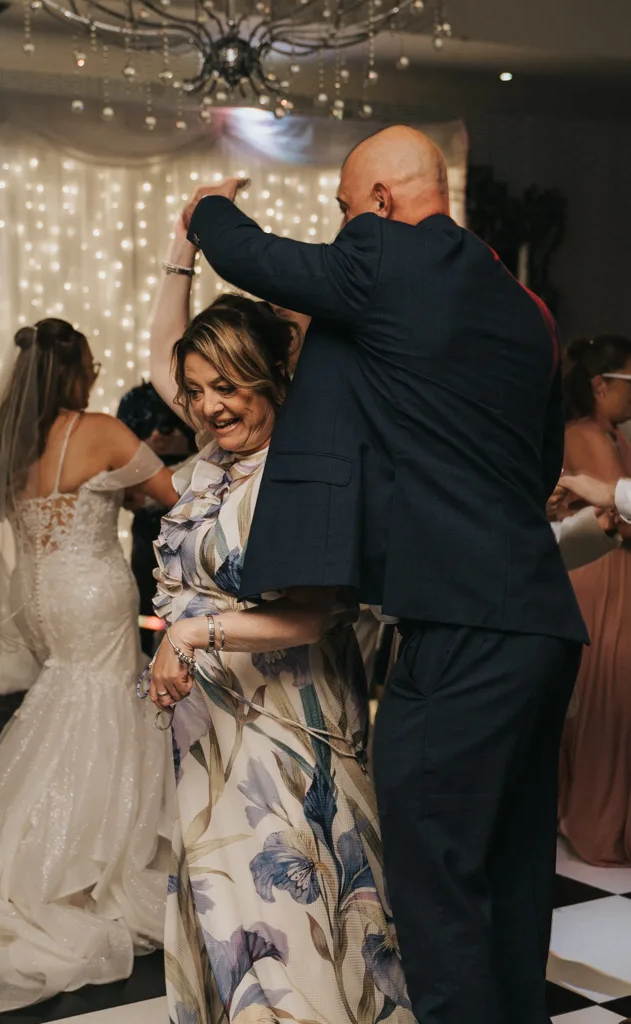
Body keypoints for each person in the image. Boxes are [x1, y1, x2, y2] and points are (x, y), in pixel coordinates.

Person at [180, 125, 588, 1024]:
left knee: (435, 874)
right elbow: (538, 457)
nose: (337, 234)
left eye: (340, 213)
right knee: (514, 873)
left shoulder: (386, 255)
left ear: (378, 204)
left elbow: (260, 259)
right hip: (540, 622)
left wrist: (206, 211)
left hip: (460, 623)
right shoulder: (523, 307)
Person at [145, 217, 413, 1024]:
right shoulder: (210, 461)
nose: (206, 405)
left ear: (271, 380)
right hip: (209, 729)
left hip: (283, 732)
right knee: (223, 906)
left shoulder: (299, 465)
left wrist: (192, 634)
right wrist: (183, 247)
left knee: (280, 909)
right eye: (194, 390)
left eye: (227, 387)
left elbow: (309, 618)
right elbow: (169, 347)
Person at [0, 318, 178, 1014]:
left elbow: (85, 495)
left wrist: (119, 489)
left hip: (48, 595)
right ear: (76, 370)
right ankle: (96, 859)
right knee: (106, 700)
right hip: (96, 591)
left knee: (65, 701)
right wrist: (151, 465)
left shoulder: (12, 444)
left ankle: (35, 858)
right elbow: (172, 494)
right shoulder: (99, 428)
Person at [558, 335, 631, 865]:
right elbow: (613, 518)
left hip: (610, 570)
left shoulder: (611, 434)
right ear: (601, 385)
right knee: (603, 694)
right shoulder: (587, 435)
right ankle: (594, 825)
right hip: (599, 572)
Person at [117, 380, 196, 655]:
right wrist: (145, 450)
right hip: (149, 524)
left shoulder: (195, 395)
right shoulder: (135, 400)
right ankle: (147, 657)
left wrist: (185, 443)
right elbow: (118, 469)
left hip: (197, 521)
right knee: (147, 602)